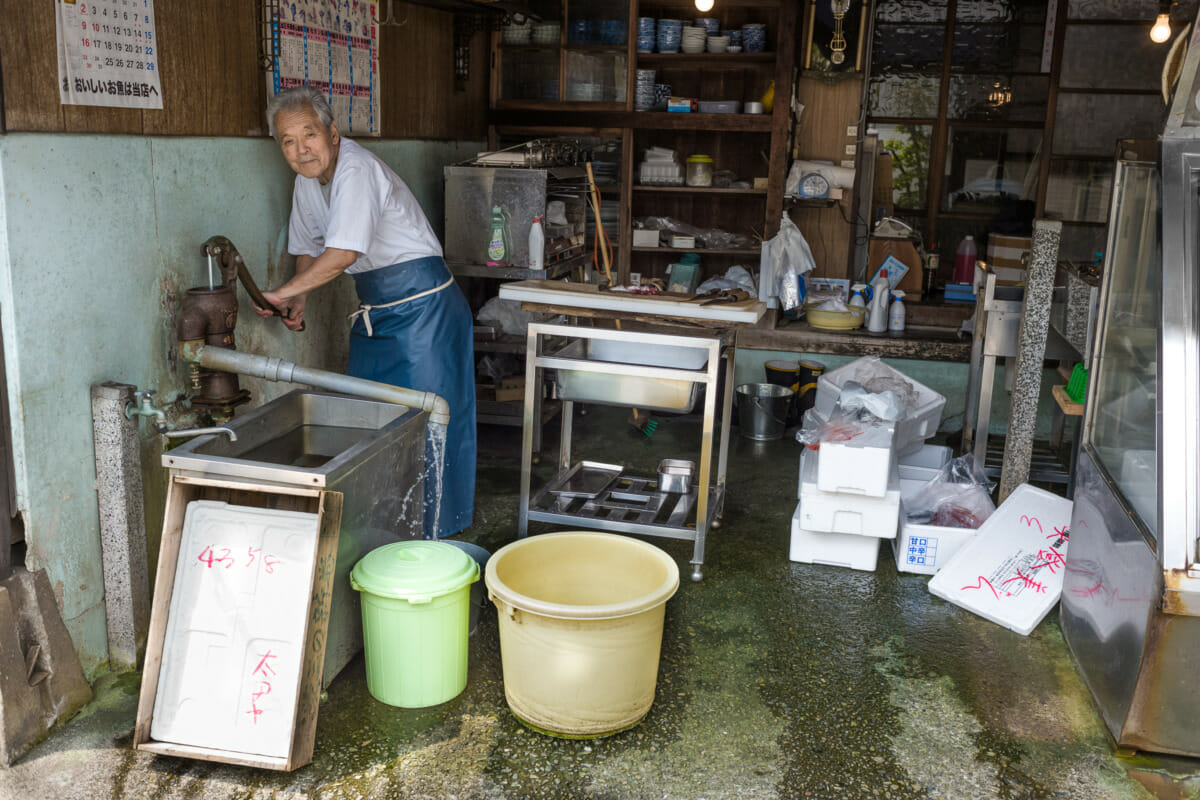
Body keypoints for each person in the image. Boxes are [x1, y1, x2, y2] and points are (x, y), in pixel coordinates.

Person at [258, 86, 475, 539]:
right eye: (288, 141)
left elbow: (342, 254)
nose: (301, 150)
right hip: (377, 311)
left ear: (332, 133)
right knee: (373, 423)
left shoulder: (355, 169)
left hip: (425, 311)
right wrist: (299, 298)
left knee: (430, 426)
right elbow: (308, 249)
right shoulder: (306, 181)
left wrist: (282, 293)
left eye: (309, 135)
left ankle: (436, 537)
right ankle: (391, 532)